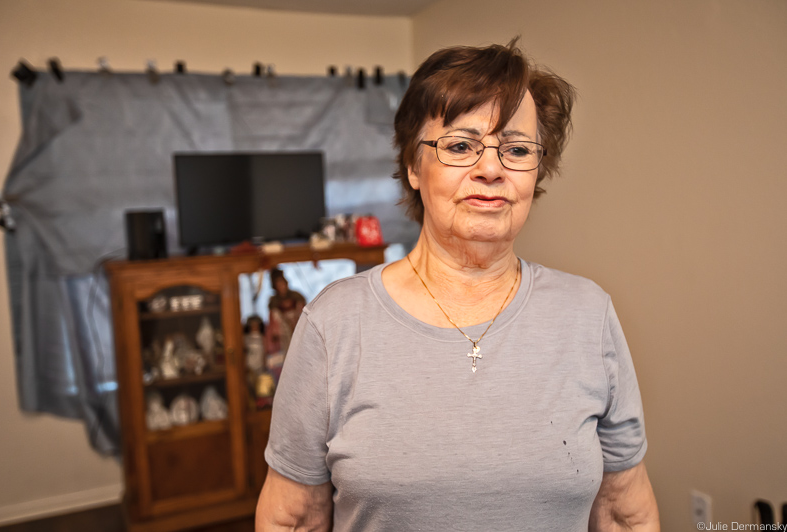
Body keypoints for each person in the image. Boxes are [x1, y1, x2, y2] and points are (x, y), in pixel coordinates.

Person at [256, 39, 659, 531]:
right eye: (461, 146)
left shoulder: (588, 316)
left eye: (515, 149)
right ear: (413, 166)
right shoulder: (333, 326)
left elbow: (622, 512)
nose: (491, 169)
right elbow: (293, 520)